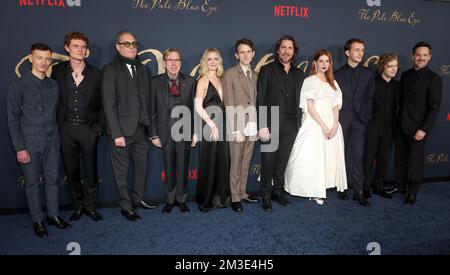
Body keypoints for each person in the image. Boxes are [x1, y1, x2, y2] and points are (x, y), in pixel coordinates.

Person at [7, 43, 70, 238]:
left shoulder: (53, 85)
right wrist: (20, 147)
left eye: (47, 58)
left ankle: (53, 215)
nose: (43, 62)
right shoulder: (17, 85)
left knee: (52, 180)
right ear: (30, 58)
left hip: (52, 140)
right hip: (29, 142)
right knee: (33, 183)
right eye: (39, 58)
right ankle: (38, 220)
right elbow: (12, 118)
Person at [102, 31, 158, 221]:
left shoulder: (144, 70)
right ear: (118, 47)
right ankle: (126, 206)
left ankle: (138, 199)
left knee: (141, 167)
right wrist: (116, 133)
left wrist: (151, 130)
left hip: (141, 130)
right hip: (121, 132)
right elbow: (108, 104)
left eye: (134, 43)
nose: (132, 47)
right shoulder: (110, 69)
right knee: (121, 171)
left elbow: (148, 101)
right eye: (127, 44)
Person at [51, 31, 104, 222]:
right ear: (67, 48)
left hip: (88, 130)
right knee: (71, 171)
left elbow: (103, 104)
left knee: (91, 171)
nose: (80, 50)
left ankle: (91, 207)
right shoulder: (57, 71)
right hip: (66, 130)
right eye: (76, 46)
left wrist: (97, 128)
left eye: (83, 46)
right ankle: (78, 206)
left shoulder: (97, 73)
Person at [285, 49, 347, 205]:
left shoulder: (333, 83)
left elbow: (335, 106)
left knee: (327, 158)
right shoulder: (310, 81)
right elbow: (310, 106)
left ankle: (322, 188)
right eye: (321, 61)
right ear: (315, 63)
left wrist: (333, 126)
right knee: (313, 159)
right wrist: (324, 126)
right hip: (315, 124)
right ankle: (313, 191)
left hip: (332, 125)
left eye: (327, 61)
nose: (324, 64)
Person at [387, 41, 442, 205]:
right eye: (418, 54)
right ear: (413, 56)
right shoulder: (405, 75)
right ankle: (400, 186)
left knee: (416, 161)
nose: (421, 58)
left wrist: (423, 129)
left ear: (429, 57)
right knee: (400, 158)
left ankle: (413, 192)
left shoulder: (434, 79)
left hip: (418, 128)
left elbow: (434, 107)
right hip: (401, 124)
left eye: (425, 55)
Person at [257, 35, 305, 211]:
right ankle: (266, 196)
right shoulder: (267, 70)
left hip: (291, 123)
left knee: (282, 161)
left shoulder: (299, 74)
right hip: (271, 122)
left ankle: (278, 191)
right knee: (268, 161)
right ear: (278, 50)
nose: (286, 51)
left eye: (290, 48)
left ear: (294, 51)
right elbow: (260, 98)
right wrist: (262, 124)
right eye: (283, 47)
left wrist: (300, 123)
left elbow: (302, 101)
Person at [150, 48, 196, 213]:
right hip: (164, 132)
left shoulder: (190, 81)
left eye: (177, 60)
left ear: (180, 63)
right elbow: (152, 111)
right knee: (169, 167)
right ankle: (170, 200)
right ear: (164, 63)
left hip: (184, 132)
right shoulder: (154, 82)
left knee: (183, 167)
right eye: (170, 60)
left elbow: (195, 109)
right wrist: (153, 134)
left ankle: (182, 199)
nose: (174, 64)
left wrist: (195, 132)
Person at [334, 38, 375, 207]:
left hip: (360, 122)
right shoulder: (336, 74)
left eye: (362, 50)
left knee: (358, 158)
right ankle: (341, 188)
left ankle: (358, 192)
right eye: (356, 50)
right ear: (347, 53)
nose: (360, 53)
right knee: (340, 156)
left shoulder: (368, 73)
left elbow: (369, 98)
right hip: (342, 121)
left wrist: (365, 117)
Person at [222, 38, 260, 213]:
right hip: (237, 125)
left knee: (246, 162)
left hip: (252, 125)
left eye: (248, 52)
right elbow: (229, 103)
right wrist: (235, 129)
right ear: (237, 55)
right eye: (242, 52)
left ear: (253, 54)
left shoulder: (256, 75)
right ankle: (234, 197)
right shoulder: (230, 74)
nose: (245, 55)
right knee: (236, 163)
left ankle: (243, 192)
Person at [194, 48, 231, 212]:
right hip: (209, 125)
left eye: (216, 59)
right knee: (208, 163)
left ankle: (221, 199)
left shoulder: (222, 80)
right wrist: (212, 124)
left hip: (222, 125)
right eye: (210, 59)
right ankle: (205, 200)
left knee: (223, 161)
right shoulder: (202, 80)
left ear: (220, 61)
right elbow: (197, 107)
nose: (213, 62)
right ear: (205, 62)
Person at [363, 53, 400, 199]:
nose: (393, 69)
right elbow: (365, 104)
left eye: (396, 66)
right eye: (390, 66)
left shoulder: (398, 86)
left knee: (384, 159)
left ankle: (378, 186)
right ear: (382, 66)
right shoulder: (372, 83)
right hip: (373, 126)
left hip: (389, 128)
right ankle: (365, 187)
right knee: (368, 159)